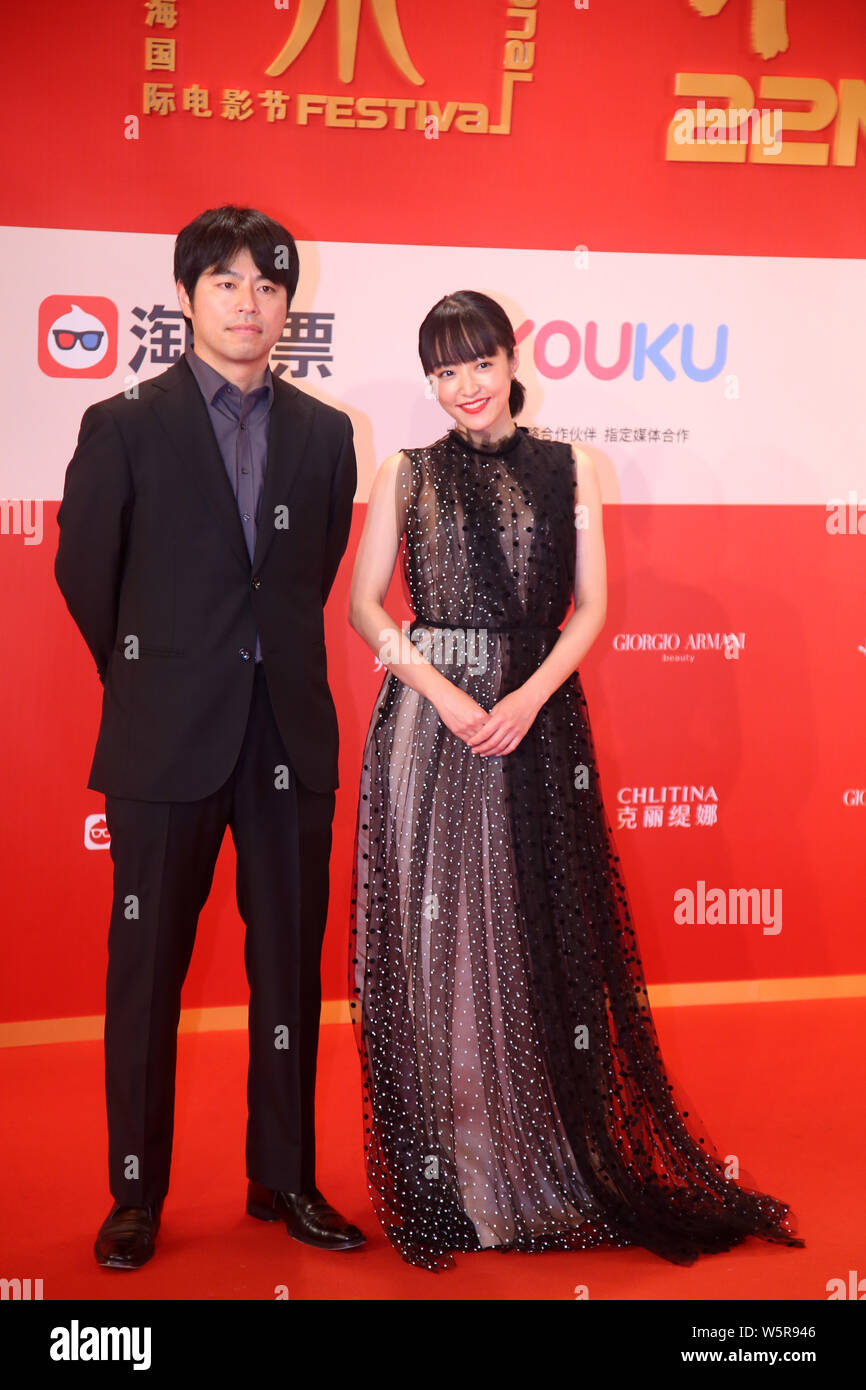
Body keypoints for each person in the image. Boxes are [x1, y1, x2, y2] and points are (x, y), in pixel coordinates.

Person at [346, 289, 805, 1271]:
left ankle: (539, 1170)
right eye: (441, 371)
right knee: (444, 957)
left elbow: (588, 609)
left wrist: (524, 696)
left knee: (525, 938)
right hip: (429, 729)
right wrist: (436, 688)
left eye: (476, 363)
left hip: (536, 717)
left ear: (512, 362)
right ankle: (458, 1177)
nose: (462, 387)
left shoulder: (572, 469)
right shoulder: (403, 471)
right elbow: (361, 607)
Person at [55, 204, 364, 1268]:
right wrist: (156, 677)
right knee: (145, 968)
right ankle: (135, 1191)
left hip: (287, 733)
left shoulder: (326, 435)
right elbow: (85, 576)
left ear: (290, 303)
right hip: (162, 739)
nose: (250, 301)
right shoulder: (125, 423)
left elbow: (303, 578)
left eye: (268, 284)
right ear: (184, 296)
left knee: (287, 966)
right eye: (225, 281)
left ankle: (282, 1177)